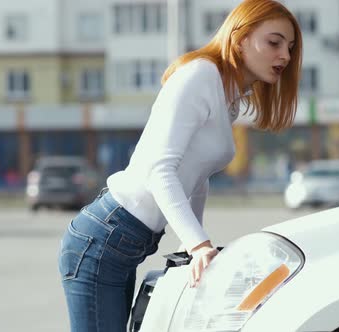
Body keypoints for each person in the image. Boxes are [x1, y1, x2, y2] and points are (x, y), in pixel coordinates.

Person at [57, 0, 302, 330]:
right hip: (104, 238)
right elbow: (160, 169)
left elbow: (197, 176)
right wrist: (198, 244)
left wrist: (193, 243)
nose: (285, 56)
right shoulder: (200, 75)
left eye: (289, 47)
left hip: (121, 242)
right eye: (274, 43)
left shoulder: (226, 96)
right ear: (240, 38)